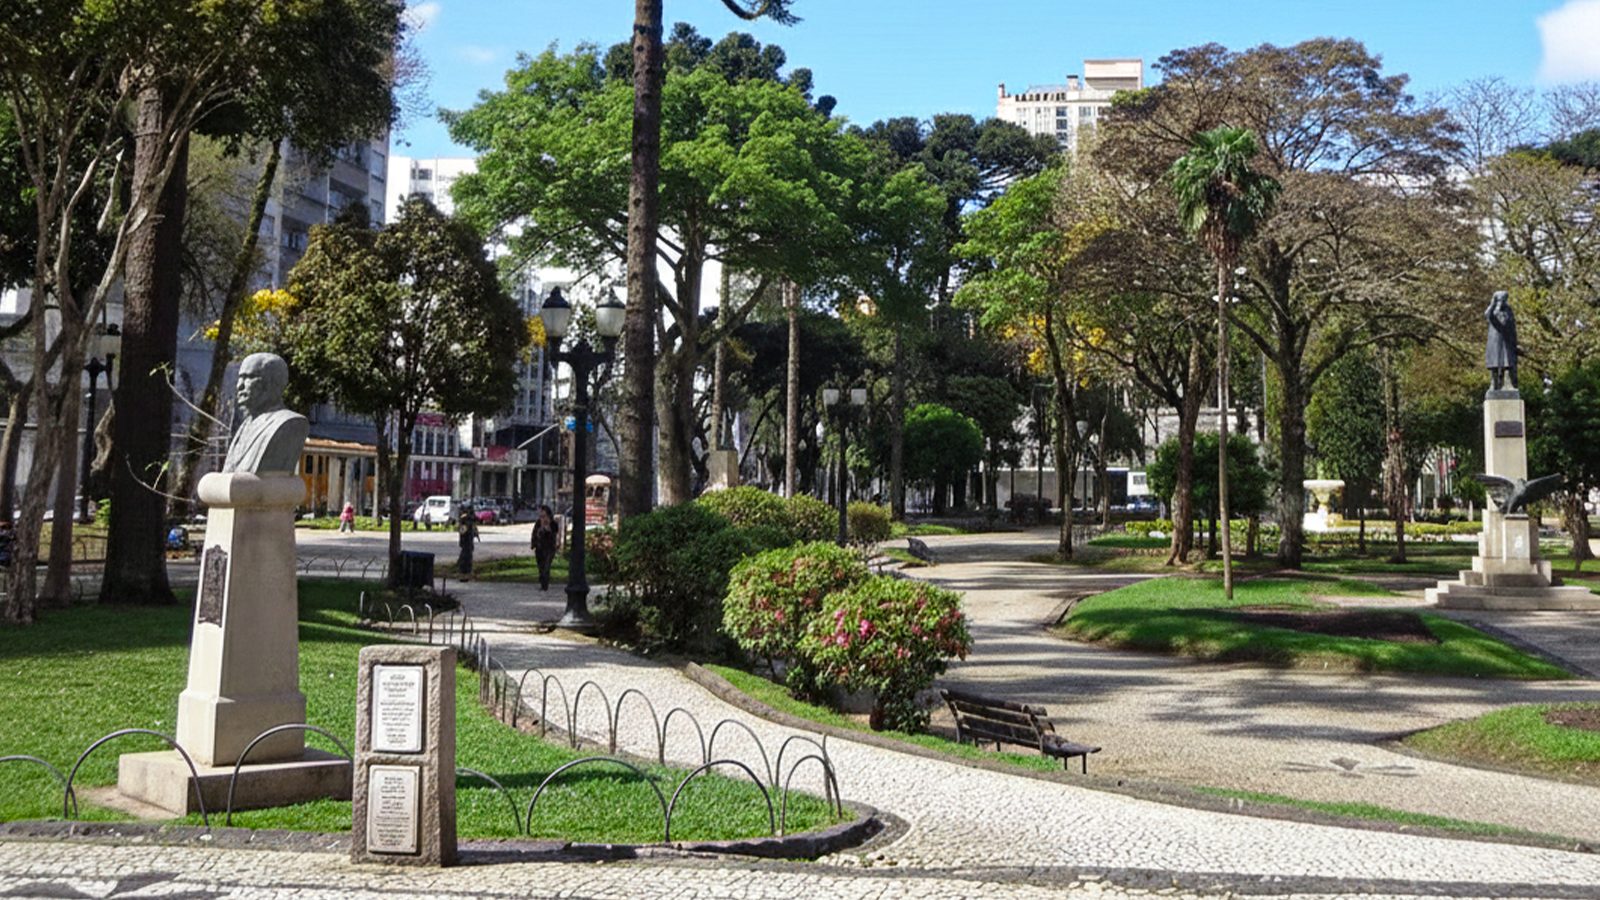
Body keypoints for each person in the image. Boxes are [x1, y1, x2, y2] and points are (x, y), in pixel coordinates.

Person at [222, 353, 309, 475]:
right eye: (240, 378)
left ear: (273, 383)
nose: (239, 386)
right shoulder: (245, 425)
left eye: (249, 377)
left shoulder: (289, 423)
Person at [1486, 290, 1518, 393]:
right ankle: (1494, 384)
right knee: (1494, 363)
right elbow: (1488, 314)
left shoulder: (1509, 311)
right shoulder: (1493, 311)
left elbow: (1512, 328)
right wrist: (1493, 303)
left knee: (1507, 362)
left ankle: (1508, 384)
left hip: (1507, 341)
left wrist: (1515, 344)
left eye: (1504, 299)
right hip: (1495, 341)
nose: (1502, 302)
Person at [531, 504, 558, 591]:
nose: (542, 517)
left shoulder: (553, 524)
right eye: (541, 516)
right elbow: (535, 534)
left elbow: (555, 534)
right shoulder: (538, 523)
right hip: (539, 548)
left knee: (546, 567)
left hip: (549, 548)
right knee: (541, 567)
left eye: (543, 515)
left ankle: (545, 585)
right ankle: (542, 584)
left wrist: (548, 528)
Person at [457, 505, 479, 580]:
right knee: (465, 557)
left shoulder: (469, 521)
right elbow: (462, 531)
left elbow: (475, 520)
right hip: (466, 542)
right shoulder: (464, 522)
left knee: (467, 556)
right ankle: (464, 573)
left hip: (468, 541)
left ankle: (466, 573)